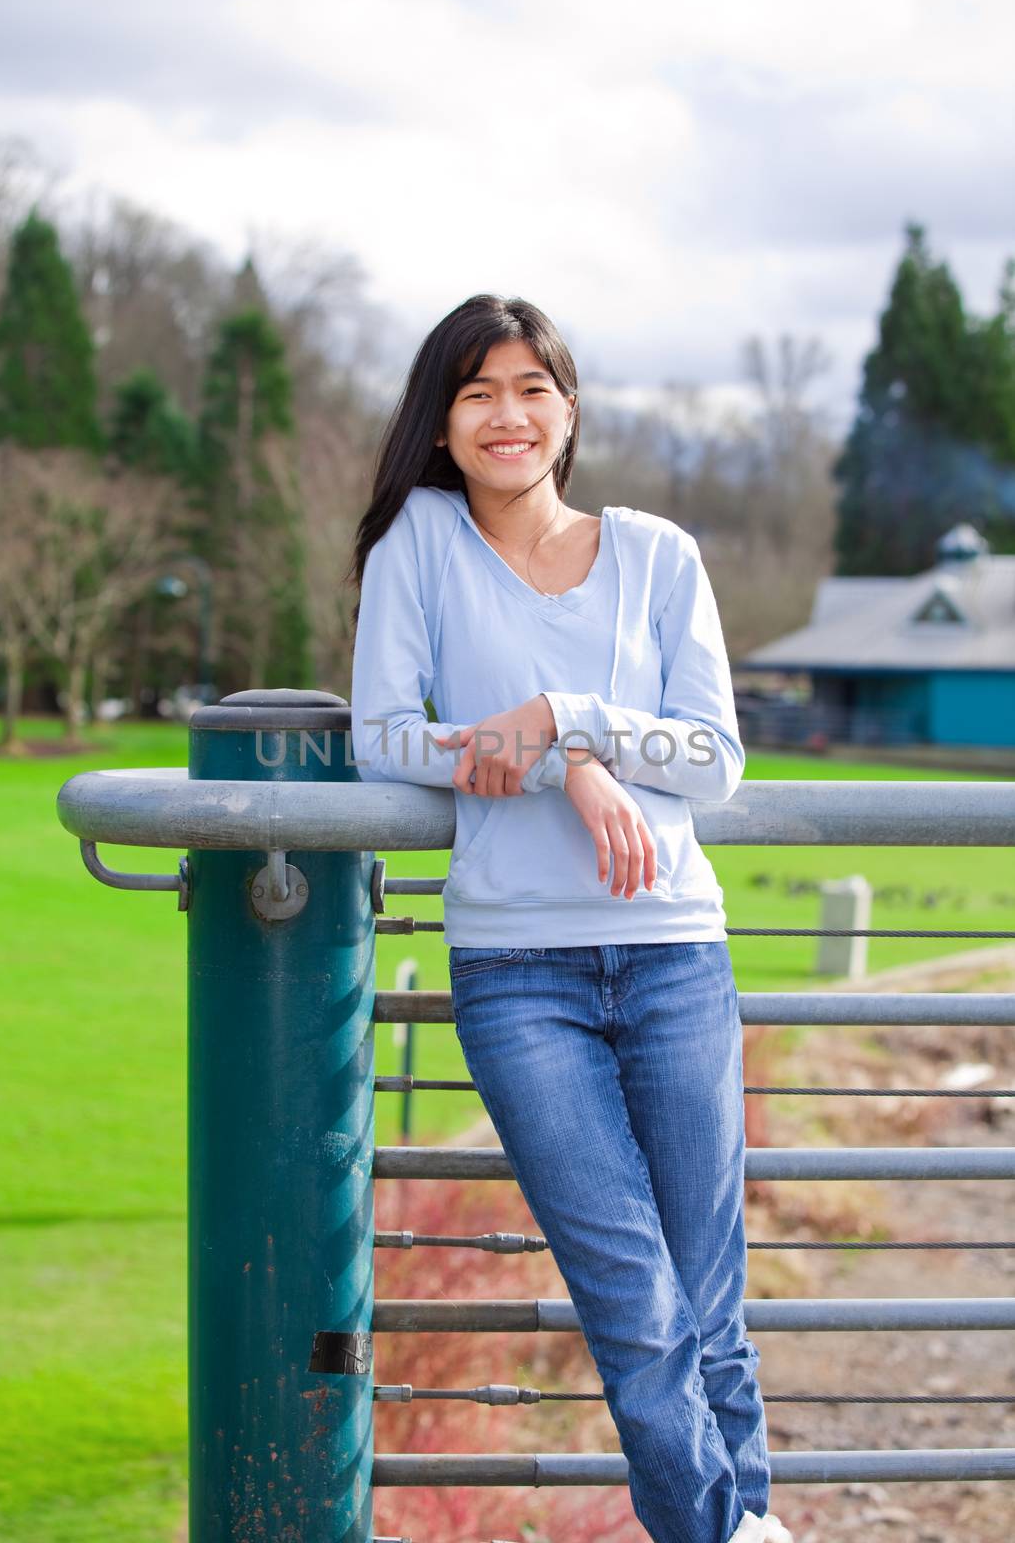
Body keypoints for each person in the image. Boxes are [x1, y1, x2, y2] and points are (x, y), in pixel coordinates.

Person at [348, 293, 794, 1543]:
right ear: (440, 424)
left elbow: (711, 763)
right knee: (633, 1296)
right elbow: (383, 736)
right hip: (517, 970)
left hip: (672, 956)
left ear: (568, 409)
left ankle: (731, 1526)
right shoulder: (419, 546)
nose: (508, 413)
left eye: (531, 387)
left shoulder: (657, 554)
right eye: (477, 391)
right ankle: (736, 1531)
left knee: (709, 1304)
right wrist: (567, 764)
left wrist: (566, 717)